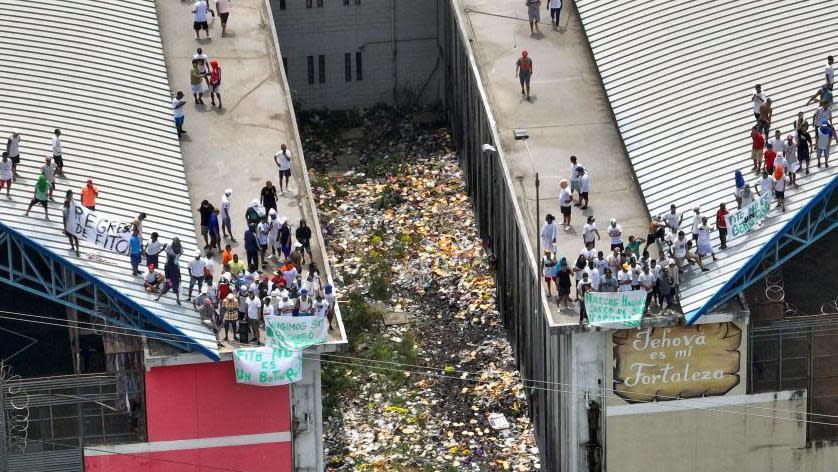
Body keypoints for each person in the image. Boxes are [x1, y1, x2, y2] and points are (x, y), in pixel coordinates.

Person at [62, 190, 80, 255]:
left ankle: (77, 250)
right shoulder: (67, 203)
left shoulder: (72, 201)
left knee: (74, 237)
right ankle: (73, 248)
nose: (72, 195)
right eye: (71, 194)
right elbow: (64, 216)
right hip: (69, 223)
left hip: (72, 223)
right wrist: (65, 227)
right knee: (72, 237)